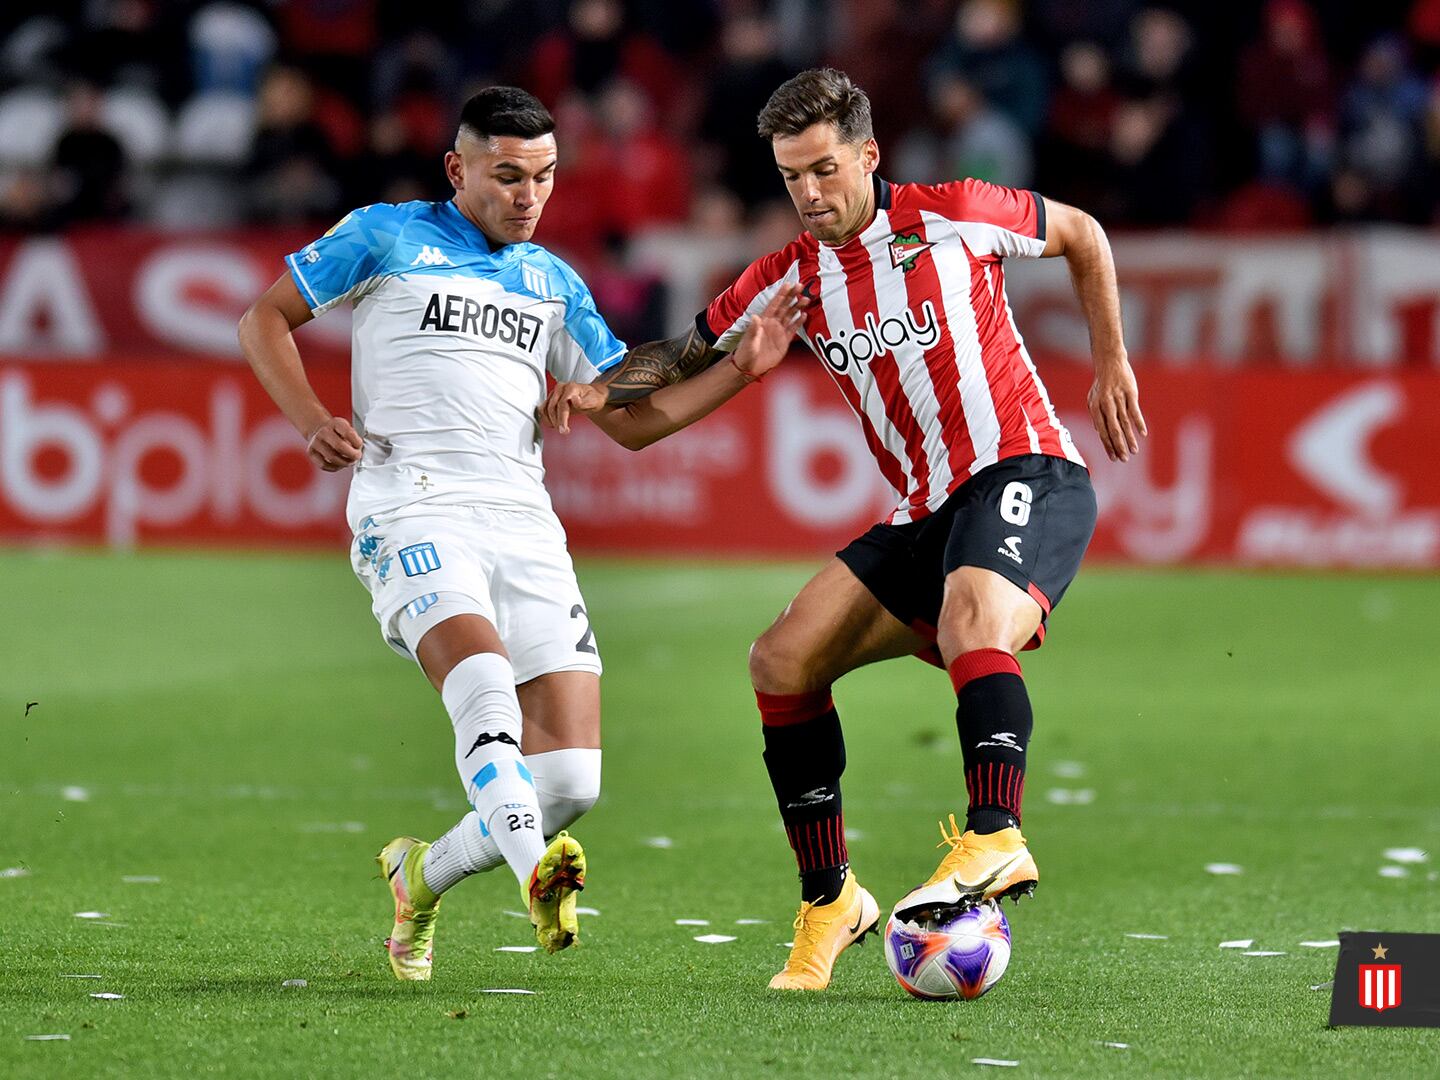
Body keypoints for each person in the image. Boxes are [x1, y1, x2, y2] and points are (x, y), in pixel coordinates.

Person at [542, 68, 1146, 992]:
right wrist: (598, 387)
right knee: (780, 663)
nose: (811, 194)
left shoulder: (953, 211)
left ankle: (994, 837)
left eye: (825, 169)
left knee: (969, 622)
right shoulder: (787, 278)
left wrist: (1109, 361)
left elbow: (1083, 234)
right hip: (924, 514)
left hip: (1026, 470)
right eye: (792, 177)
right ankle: (832, 900)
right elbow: (685, 355)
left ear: (868, 154)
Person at [238, 85, 803, 982]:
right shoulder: (385, 236)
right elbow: (263, 317)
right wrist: (310, 418)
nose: (529, 195)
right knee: (486, 692)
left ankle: (420, 876)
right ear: (458, 170)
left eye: (542, 176)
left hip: (525, 525)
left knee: (574, 780)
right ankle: (535, 871)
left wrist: (741, 369)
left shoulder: (552, 281)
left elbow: (633, 418)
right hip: (411, 508)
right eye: (507, 176)